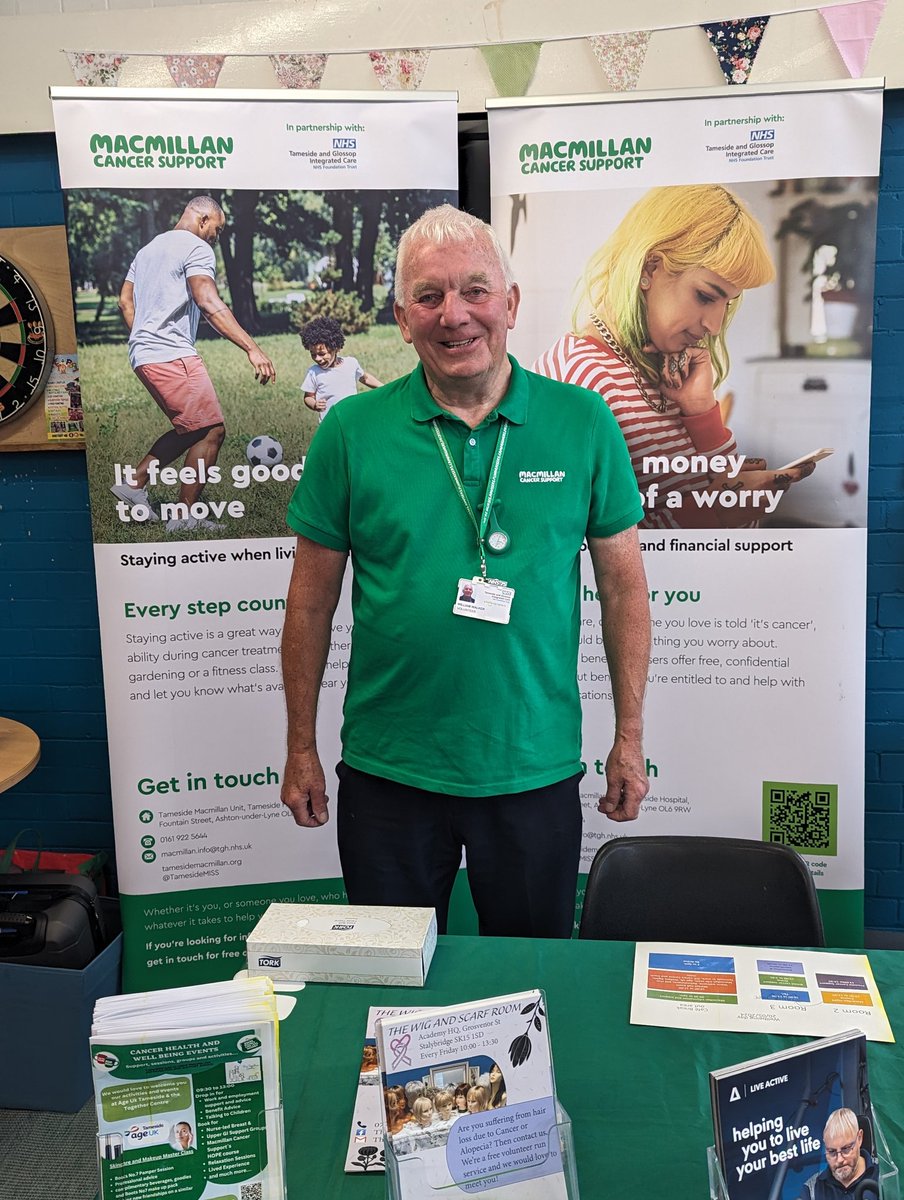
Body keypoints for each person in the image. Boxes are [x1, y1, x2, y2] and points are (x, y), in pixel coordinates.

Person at [281, 204, 650, 939]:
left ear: (510, 305)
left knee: (531, 978)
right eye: (429, 296)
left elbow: (623, 590)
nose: (455, 315)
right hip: (389, 773)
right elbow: (309, 603)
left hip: (532, 768)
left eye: (476, 291)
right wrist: (300, 745)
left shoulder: (583, 422)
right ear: (403, 316)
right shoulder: (351, 430)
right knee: (394, 987)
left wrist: (630, 736)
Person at [532, 184, 815, 531]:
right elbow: (570, 544)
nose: (714, 325)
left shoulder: (660, 370)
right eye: (705, 296)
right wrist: (718, 510)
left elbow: (740, 531)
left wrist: (703, 414)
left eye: (727, 303)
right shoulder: (578, 374)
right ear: (650, 269)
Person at [114, 195, 276, 533]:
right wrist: (252, 348)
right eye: (218, 229)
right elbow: (207, 300)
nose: (217, 237)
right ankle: (182, 516)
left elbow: (125, 301)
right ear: (203, 220)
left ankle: (135, 484)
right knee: (211, 429)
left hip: (143, 354)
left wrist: (143, 337)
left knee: (193, 427)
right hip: (171, 354)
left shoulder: (147, 251)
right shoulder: (197, 248)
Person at [299, 315, 382, 420]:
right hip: (329, 423)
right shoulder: (314, 372)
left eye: (322, 354)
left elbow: (365, 378)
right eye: (313, 354)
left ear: (336, 348)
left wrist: (383, 386)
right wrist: (314, 404)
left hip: (352, 419)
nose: (318, 358)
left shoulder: (351, 363)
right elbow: (308, 397)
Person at [798, 1109, 878, 1198]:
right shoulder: (812, 1190)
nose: (839, 1159)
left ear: (859, 1138)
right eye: (832, 1152)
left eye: (846, 1149)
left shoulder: (883, 1176)